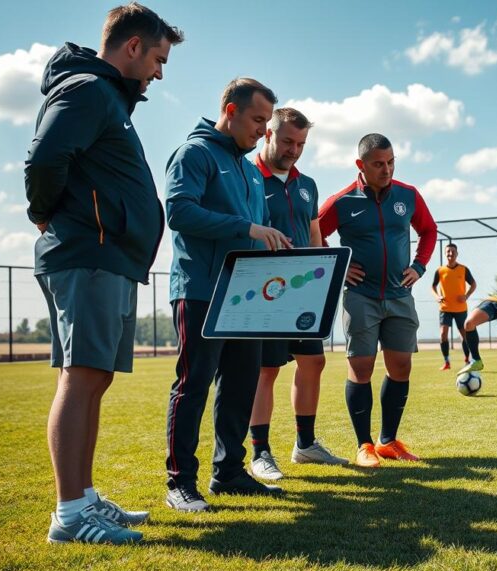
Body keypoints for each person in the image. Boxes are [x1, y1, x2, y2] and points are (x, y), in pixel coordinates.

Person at [26, 2, 182, 545]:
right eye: (159, 59)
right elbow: (44, 159)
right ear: (133, 46)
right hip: (85, 253)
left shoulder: (110, 99)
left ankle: (84, 497)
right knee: (82, 375)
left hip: (109, 257)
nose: (160, 73)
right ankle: (69, 515)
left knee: (96, 375)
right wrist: (43, 213)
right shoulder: (87, 91)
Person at [164, 78, 292, 512]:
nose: (264, 130)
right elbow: (179, 212)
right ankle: (180, 482)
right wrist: (247, 228)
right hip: (201, 289)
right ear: (230, 110)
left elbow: (256, 234)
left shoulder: (250, 173)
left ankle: (230, 473)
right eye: (258, 120)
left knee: (240, 384)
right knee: (194, 383)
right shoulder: (194, 154)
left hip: (248, 297)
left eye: (266, 122)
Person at [318, 133, 438, 468]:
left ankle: (388, 441)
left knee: (401, 366)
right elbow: (314, 230)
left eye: (390, 162)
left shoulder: (408, 195)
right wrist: (339, 267)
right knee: (362, 368)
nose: (386, 169)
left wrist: (419, 266)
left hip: (400, 296)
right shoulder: (341, 201)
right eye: (378, 164)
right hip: (361, 297)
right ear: (361, 165)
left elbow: (429, 230)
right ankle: (364, 445)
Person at [247, 108, 348, 482]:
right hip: (264, 293)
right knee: (267, 369)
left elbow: (313, 234)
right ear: (268, 134)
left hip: (302, 293)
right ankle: (260, 452)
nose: (294, 150)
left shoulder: (308, 184)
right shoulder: (248, 177)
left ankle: (305, 444)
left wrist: (320, 284)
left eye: (301, 144)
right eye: (288, 141)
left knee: (313, 363)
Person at [431, 243, 476, 370]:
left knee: (464, 335)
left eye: (452, 252)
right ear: (445, 254)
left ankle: (467, 360)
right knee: (443, 334)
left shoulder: (463, 269)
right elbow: (433, 286)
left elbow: (473, 284)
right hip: (445, 308)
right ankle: (447, 362)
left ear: (457, 254)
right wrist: (437, 297)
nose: (450, 254)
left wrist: (466, 296)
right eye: (448, 252)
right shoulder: (440, 270)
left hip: (460, 309)